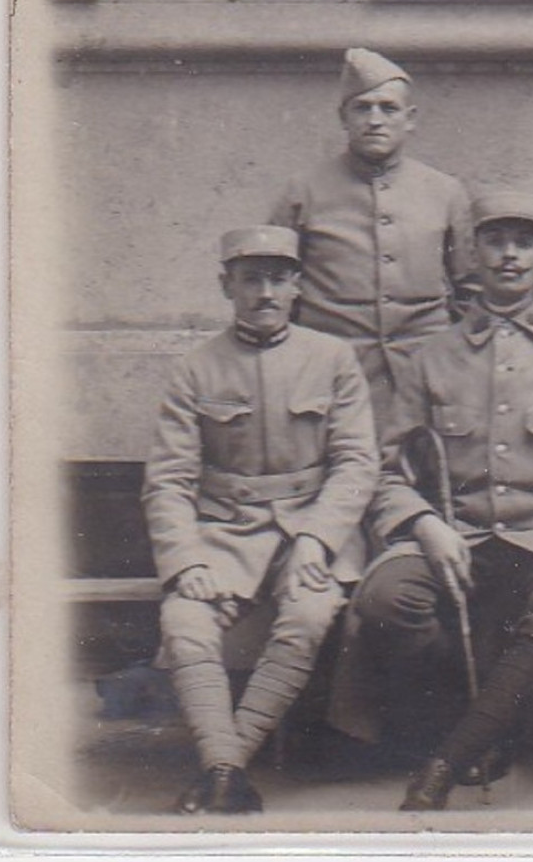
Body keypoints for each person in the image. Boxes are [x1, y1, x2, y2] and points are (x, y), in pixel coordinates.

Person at [345, 192, 533, 812]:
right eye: (495, 241)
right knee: (385, 599)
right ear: (472, 256)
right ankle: (484, 726)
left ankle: (450, 757)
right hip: (459, 539)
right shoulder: (430, 356)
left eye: (525, 242)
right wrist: (424, 525)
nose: (509, 255)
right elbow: (387, 470)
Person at [142, 226, 378, 814]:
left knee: (309, 611)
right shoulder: (196, 369)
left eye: (279, 278)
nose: (266, 293)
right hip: (224, 534)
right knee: (184, 618)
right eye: (251, 280)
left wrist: (318, 541)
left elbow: (356, 465)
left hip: (312, 533)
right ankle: (227, 769)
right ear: (228, 286)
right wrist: (187, 560)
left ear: (298, 285)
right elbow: (168, 481)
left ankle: (225, 768)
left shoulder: (333, 359)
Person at [268, 47, 475, 431]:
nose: (375, 120)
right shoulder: (304, 190)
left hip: (424, 373)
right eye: (362, 108)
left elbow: (471, 291)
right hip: (330, 374)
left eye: (388, 108)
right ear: (343, 118)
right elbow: (277, 288)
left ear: (410, 119)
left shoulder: (445, 192)